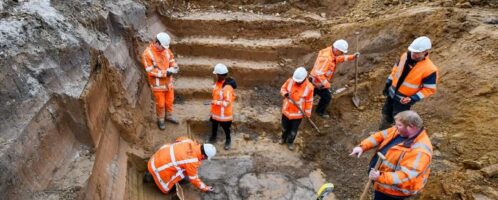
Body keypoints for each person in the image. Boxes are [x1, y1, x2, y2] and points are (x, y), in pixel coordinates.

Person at [350, 110, 433, 200]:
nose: (395, 127)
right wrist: (362, 147)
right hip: (381, 183)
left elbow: (406, 176)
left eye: (399, 125)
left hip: (394, 192)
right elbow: (380, 136)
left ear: (411, 126)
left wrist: (380, 176)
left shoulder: (420, 151)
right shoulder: (399, 130)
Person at [379, 36, 438, 130]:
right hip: (392, 93)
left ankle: (395, 139)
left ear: (425, 52)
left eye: (417, 53)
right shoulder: (405, 56)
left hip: (404, 100)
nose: (413, 54)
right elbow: (395, 69)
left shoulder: (430, 69)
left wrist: (413, 98)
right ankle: (382, 133)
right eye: (413, 51)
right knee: (386, 113)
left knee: (400, 121)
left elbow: (429, 89)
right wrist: (388, 82)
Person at [143, 137, 216, 195]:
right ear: (203, 156)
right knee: (186, 179)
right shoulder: (192, 161)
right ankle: (151, 178)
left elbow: (178, 139)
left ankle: (150, 173)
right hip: (158, 168)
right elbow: (194, 179)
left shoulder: (189, 141)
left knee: (180, 167)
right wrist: (205, 188)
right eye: (206, 158)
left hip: (154, 159)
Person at [310, 39, 359, 118]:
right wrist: (327, 84)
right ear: (336, 49)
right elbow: (318, 74)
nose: (342, 53)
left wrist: (352, 57)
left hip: (317, 80)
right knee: (326, 97)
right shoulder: (326, 58)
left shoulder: (331, 52)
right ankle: (319, 111)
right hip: (318, 81)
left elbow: (338, 59)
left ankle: (307, 107)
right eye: (341, 52)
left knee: (311, 94)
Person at [142, 32, 180, 130]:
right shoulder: (148, 54)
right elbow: (150, 71)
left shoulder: (166, 50)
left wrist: (174, 67)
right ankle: (161, 120)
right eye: (162, 47)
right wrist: (165, 73)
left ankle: (169, 116)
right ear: (156, 42)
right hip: (158, 86)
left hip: (168, 84)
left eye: (164, 47)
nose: (163, 49)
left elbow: (171, 60)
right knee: (161, 104)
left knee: (169, 101)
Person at [280, 67, 314, 150]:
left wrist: (307, 113)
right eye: (296, 81)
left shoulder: (309, 87)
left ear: (304, 78)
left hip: (297, 114)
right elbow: (283, 89)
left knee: (293, 131)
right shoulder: (290, 81)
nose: (297, 82)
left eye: (299, 81)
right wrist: (285, 94)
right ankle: (283, 139)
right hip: (286, 111)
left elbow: (309, 101)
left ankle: (290, 142)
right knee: (284, 127)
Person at [209, 63, 237, 150]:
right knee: (214, 125)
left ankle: (228, 140)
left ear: (220, 75)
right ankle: (213, 137)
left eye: (216, 74)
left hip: (224, 115)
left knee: (226, 129)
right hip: (216, 112)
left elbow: (227, 103)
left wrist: (215, 102)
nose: (215, 76)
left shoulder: (227, 87)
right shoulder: (218, 83)